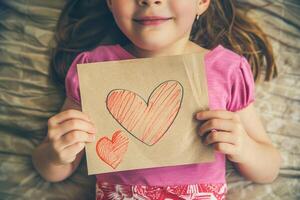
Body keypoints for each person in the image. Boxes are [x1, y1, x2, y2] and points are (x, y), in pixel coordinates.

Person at [32, 0, 282, 199]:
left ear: (202, 1)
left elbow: (268, 170)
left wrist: (245, 148)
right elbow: (52, 171)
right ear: (110, 2)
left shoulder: (226, 69)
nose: (150, 1)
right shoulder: (93, 68)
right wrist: (55, 154)